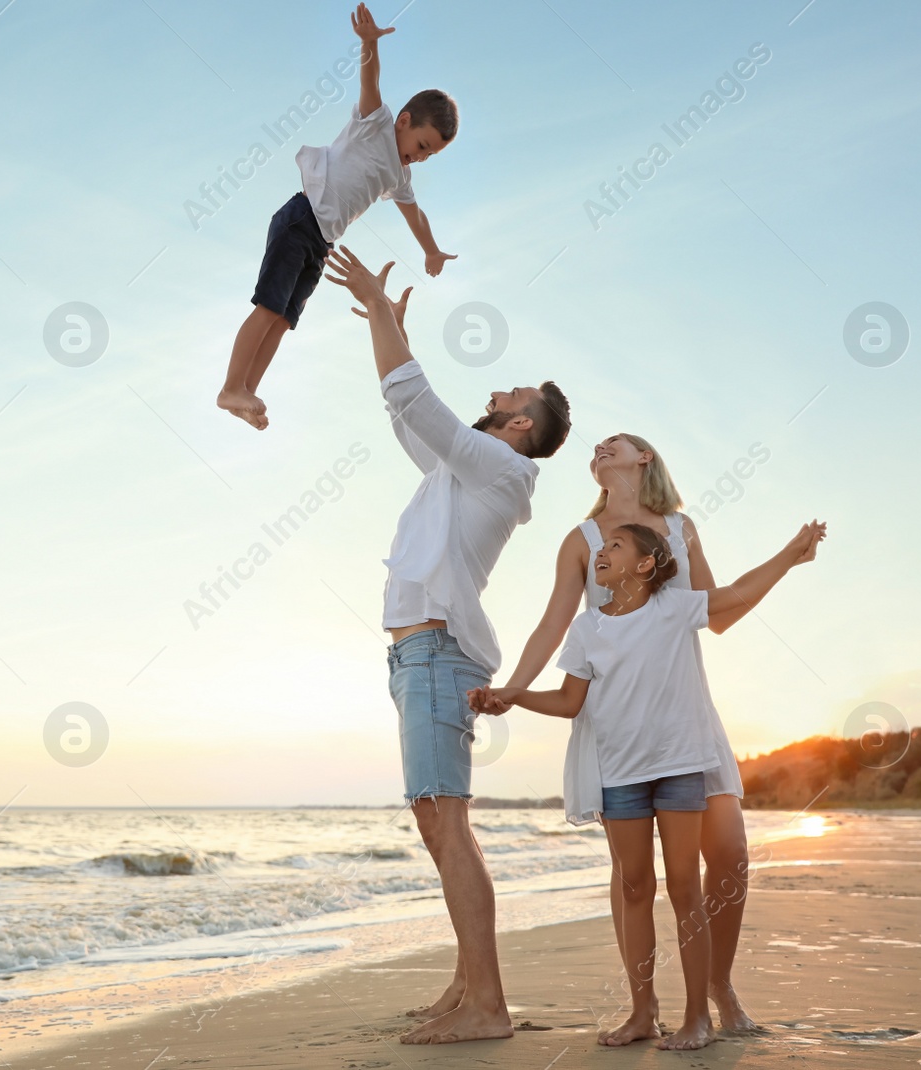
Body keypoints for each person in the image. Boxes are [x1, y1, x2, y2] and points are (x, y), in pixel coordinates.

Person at [323, 246, 570, 1044]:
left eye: (511, 391)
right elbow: (402, 408)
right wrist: (383, 323)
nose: (497, 390)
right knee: (439, 822)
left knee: (445, 823)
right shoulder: (463, 471)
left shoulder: (498, 467)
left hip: (437, 654)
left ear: (520, 424)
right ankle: (467, 984)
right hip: (417, 657)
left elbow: (415, 394)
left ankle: (488, 1006)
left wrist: (388, 314)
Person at [469, 520, 826, 1050]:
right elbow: (571, 703)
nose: (601, 552)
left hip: (680, 765)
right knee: (635, 886)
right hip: (619, 776)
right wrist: (515, 696)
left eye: (616, 546)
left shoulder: (675, 608)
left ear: (644, 565)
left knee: (685, 887)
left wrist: (789, 554)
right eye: (601, 546)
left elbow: (739, 593)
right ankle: (641, 1013)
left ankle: (697, 1018)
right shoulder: (588, 627)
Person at [487, 433, 763, 1031]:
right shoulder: (583, 542)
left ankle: (717, 985)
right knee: (633, 875)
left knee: (730, 855)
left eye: (619, 441)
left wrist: (781, 563)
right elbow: (553, 624)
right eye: (597, 445)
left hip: (687, 718)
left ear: (646, 458)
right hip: (620, 726)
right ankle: (644, 1006)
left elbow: (717, 613)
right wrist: (513, 687)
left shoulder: (681, 529)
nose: (602, 445)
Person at [217, 3, 459, 430]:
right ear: (404, 122)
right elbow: (371, 81)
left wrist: (432, 250)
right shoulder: (376, 125)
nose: (421, 158)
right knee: (267, 307)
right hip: (300, 219)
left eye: (430, 155)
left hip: (320, 244)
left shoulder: (399, 174)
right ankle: (231, 385)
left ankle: (246, 392)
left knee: (283, 319)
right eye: (422, 145)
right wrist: (368, 44)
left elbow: (414, 214)